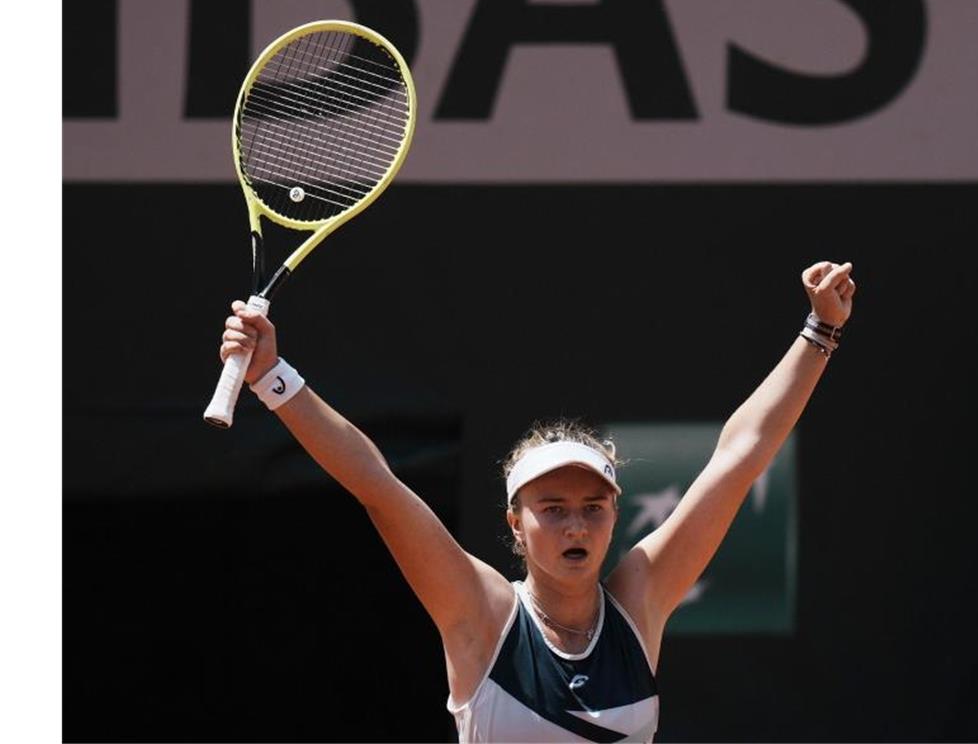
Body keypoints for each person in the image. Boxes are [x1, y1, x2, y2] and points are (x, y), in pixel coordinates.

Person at [218, 260, 856, 742]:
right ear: (515, 526)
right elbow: (378, 486)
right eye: (552, 508)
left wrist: (820, 329)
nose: (575, 522)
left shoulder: (641, 597)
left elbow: (739, 457)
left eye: (592, 506)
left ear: (612, 516)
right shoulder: (482, 610)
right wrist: (275, 378)